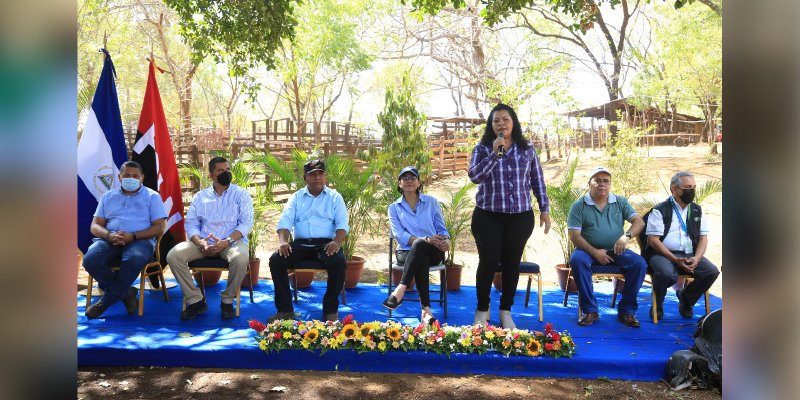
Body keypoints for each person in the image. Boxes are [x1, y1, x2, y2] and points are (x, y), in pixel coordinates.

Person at [468, 103, 551, 330]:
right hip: (488, 216)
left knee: (512, 263)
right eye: (496, 121)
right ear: (490, 125)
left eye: (505, 119)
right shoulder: (483, 148)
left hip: (520, 217)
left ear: (513, 122)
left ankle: (506, 311)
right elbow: (474, 177)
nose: (501, 124)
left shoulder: (527, 148)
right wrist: (495, 154)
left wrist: (544, 209)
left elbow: (537, 180)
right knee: (488, 262)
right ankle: (482, 309)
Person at [167, 156, 254, 320]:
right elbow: (191, 224)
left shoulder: (241, 195)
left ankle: (227, 301)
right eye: (220, 170)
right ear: (211, 175)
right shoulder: (200, 197)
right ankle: (195, 300)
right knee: (174, 255)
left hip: (231, 242)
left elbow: (246, 224)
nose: (225, 173)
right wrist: (200, 242)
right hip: (203, 243)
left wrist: (226, 242)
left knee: (241, 258)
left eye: (227, 170)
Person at [83, 161, 167, 319]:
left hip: (140, 240)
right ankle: (127, 293)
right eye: (127, 175)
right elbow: (95, 226)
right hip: (110, 238)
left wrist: (133, 236)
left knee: (133, 258)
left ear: (142, 178)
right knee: (90, 260)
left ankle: (105, 302)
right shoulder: (108, 196)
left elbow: (159, 227)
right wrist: (109, 235)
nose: (131, 178)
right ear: (120, 177)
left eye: (135, 176)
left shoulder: (152, 196)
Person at [267, 159, 348, 322]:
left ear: (325, 177)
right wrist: (283, 241)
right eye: (312, 175)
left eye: (320, 174)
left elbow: (342, 225)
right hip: (300, 245)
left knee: (339, 261)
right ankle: (285, 310)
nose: (317, 177)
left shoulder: (335, 197)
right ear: (305, 178)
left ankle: (330, 309)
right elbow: (285, 221)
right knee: (276, 260)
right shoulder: (296, 197)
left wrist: (336, 242)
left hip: (325, 245)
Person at [567, 167, 647, 327]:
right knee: (577, 260)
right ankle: (590, 311)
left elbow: (639, 222)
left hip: (616, 250)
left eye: (606, 181)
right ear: (589, 183)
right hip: (586, 250)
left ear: (610, 184)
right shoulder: (579, 205)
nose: (602, 184)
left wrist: (626, 237)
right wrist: (595, 252)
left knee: (639, 264)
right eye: (597, 180)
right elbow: (575, 236)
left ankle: (627, 311)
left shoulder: (620, 202)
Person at [644, 171, 720, 320]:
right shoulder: (660, 210)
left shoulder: (697, 210)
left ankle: (686, 299)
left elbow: (703, 238)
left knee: (711, 271)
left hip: (689, 254)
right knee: (666, 273)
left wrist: (697, 258)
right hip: (662, 253)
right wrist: (674, 259)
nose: (691, 191)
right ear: (674, 189)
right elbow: (653, 240)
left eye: (693, 187)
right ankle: (657, 303)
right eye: (687, 187)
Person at [382, 166, 450, 325]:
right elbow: (399, 235)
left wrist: (446, 241)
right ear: (399, 184)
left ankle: (400, 289)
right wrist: (425, 239)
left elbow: (442, 230)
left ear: (419, 183)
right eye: (404, 178)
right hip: (406, 252)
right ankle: (426, 311)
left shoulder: (431, 202)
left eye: (412, 178)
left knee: (421, 249)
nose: (409, 181)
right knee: (420, 254)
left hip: (434, 251)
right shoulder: (394, 208)